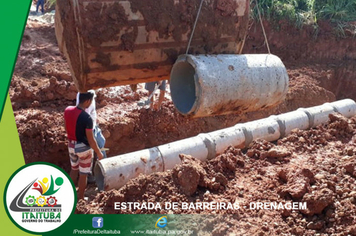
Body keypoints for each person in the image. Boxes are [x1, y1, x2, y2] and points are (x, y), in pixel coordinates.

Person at [64, 91, 104, 200]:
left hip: (71, 145)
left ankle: (69, 194)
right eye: (90, 101)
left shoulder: (67, 110)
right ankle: (81, 198)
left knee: (74, 170)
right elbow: (91, 140)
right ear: (87, 101)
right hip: (83, 148)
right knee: (83, 174)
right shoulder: (87, 118)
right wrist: (99, 153)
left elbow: (66, 127)